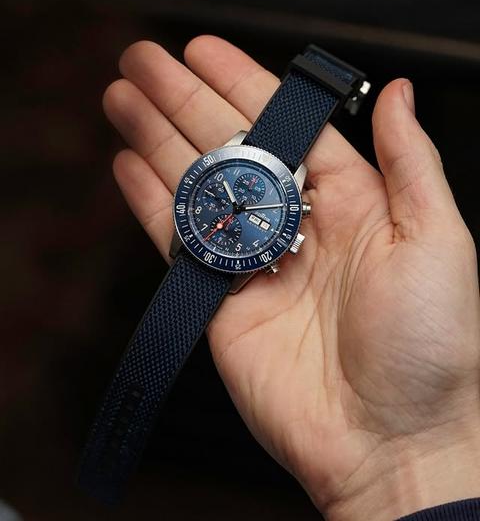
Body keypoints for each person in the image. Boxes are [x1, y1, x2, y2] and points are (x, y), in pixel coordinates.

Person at [102, 36, 480, 521]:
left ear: (289, 235)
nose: (239, 210)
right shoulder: (236, 183)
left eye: (251, 213)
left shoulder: (273, 228)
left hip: (227, 248)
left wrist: (412, 452)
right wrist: (417, 456)